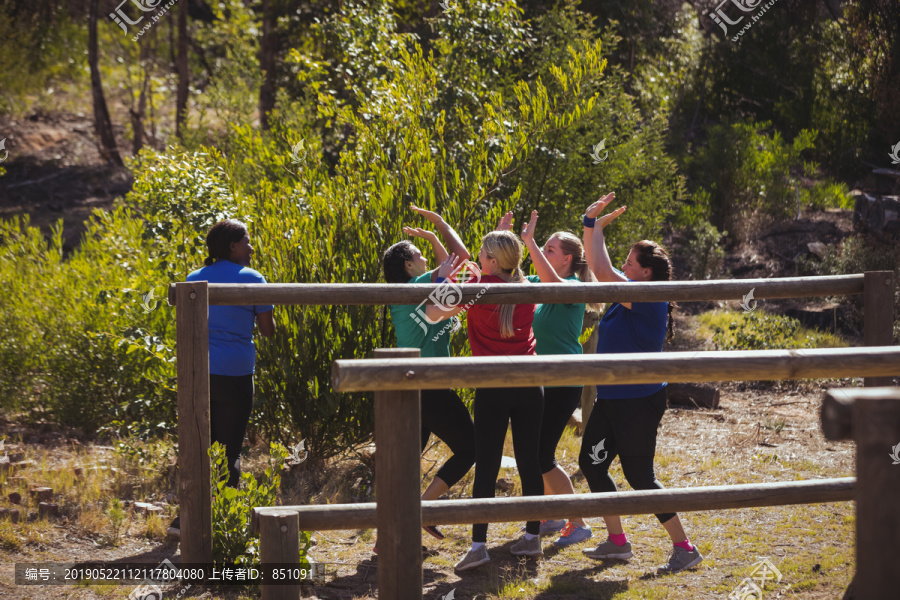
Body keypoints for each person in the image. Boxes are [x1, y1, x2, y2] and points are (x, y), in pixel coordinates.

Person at [578, 194, 703, 573]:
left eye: (630, 262)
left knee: (639, 476)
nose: (623, 266)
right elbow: (601, 266)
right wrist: (592, 224)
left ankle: (685, 547)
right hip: (612, 398)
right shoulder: (626, 295)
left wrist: (593, 228)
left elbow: (599, 271)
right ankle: (617, 542)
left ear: (646, 272)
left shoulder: (648, 297)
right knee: (593, 464)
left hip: (638, 401)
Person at [424, 230, 545, 572]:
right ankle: (532, 537)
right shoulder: (526, 285)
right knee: (529, 462)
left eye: (481, 253)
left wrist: (452, 278)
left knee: (487, 466)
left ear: (492, 261)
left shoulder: (474, 284)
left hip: (492, 386)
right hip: (529, 383)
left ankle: (479, 546)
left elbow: (432, 313)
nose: (476, 257)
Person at [381, 205, 476, 543]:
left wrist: (434, 236)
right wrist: (437, 224)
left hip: (413, 382)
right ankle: (423, 510)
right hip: (430, 384)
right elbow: (462, 260)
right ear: (410, 266)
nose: (426, 261)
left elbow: (456, 268)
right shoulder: (418, 286)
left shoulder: (417, 290)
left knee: (406, 462)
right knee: (470, 448)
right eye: (420, 256)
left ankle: (386, 538)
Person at [517, 209, 602, 548]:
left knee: (541, 456)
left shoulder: (572, 286)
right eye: (544, 248)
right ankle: (553, 514)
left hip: (563, 382)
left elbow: (551, 283)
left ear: (567, 258)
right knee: (534, 452)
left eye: (550, 249)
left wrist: (530, 241)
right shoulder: (542, 281)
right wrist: (505, 239)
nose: (544, 252)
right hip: (542, 381)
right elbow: (516, 280)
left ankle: (578, 522)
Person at [187, 219, 275, 488]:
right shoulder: (254, 278)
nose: (251, 248)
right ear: (233, 246)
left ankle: (190, 518)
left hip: (200, 373)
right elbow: (268, 330)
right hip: (236, 373)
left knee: (203, 448)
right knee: (231, 449)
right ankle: (226, 521)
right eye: (247, 242)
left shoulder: (193, 278)